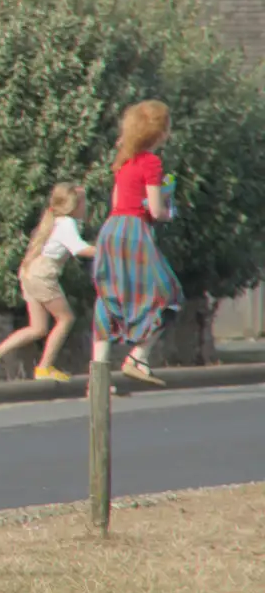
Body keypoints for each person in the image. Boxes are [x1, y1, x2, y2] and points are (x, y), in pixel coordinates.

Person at [92, 100, 183, 388]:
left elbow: (118, 200)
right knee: (168, 295)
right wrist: (169, 209)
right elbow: (156, 211)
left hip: (111, 229)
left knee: (109, 299)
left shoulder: (124, 160)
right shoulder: (151, 162)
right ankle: (138, 357)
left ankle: (98, 379)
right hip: (134, 231)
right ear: (160, 132)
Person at [0, 183, 97, 383]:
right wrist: (109, 251)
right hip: (43, 274)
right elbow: (79, 249)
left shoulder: (58, 221)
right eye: (84, 201)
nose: (87, 205)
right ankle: (44, 367)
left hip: (30, 272)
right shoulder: (67, 223)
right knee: (66, 319)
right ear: (74, 205)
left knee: (38, 328)